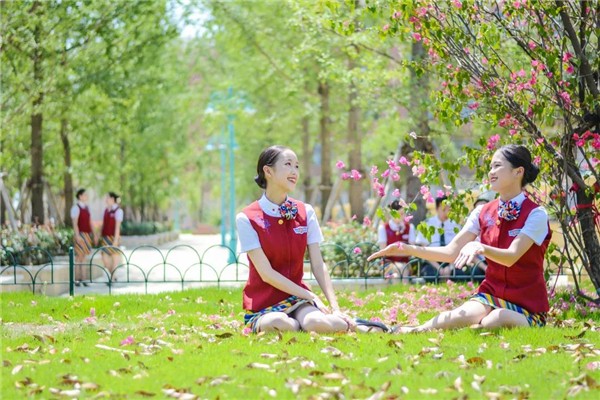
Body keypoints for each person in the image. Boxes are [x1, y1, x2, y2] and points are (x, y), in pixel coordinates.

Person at [368, 145, 551, 330]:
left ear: (518, 171)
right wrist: (407, 248)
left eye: (497, 166)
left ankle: (496, 323)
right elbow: (451, 252)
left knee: (495, 319)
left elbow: (512, 256)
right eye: (490, 167)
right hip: (491, 294)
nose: (491, 172)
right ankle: (413, 331)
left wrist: (480, 247)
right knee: (463, 314)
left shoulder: (536, 214)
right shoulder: (482, 211)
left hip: (526, 303)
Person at [237, 145, 386, 334]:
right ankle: (303, 326)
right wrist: (310, 295)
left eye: (297, 166)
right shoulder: (247, 218)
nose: (294, 171)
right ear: (268, 171)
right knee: (277, 322)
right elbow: (266, 274)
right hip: (265, 304)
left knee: (316, 322)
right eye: (288, 164)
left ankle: (357, 325)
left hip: (298, 300)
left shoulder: (305, 211)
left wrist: (335, 308)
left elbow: (318, 264)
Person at [414, 195, 464, 281]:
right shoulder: (427, 224)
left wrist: (450, 267)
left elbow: (459, 248)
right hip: (432, 261)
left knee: (461, 276)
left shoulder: (455, 226)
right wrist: (438, 267)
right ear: (437, 209)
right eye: (443, 209)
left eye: (449, 209)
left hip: (451, 260)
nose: (447, 211)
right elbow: (423, 248)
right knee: (430, 276)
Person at [377, 200, 416, 281]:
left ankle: (401, 288)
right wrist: (403, 252)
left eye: (403, 213)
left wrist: (394, 252)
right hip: (388, 263)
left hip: (405, 263)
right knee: (398, 271)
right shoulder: (384, 228)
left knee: (401, 269)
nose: (402, 216)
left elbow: (412, 250)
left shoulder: (409, 227)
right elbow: (384, 252)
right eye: (400, 214)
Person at [70, 188, 95, 286]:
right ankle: (77, 279)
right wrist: (77, 236)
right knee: (78, 257)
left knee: (84, 257)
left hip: (87, 235)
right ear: (80, 196)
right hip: (80, 234)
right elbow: (75, 223)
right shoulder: (76, 208)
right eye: (85, 195)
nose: (86, 196)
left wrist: (94, 234)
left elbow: (90, 222)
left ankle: (84, 279)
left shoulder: (87, 208)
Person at [99, 192, 123, 281]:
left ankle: (112, 278)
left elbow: (117, 226)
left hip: (114, 237)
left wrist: (116, 240)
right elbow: (103, 224)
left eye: (107, 197)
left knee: (115, 258)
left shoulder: (118, 211)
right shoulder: (106, 210)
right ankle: (113, 276)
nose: (106, 199)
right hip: (105, 237)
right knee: (105, 259)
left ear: (112, 199)